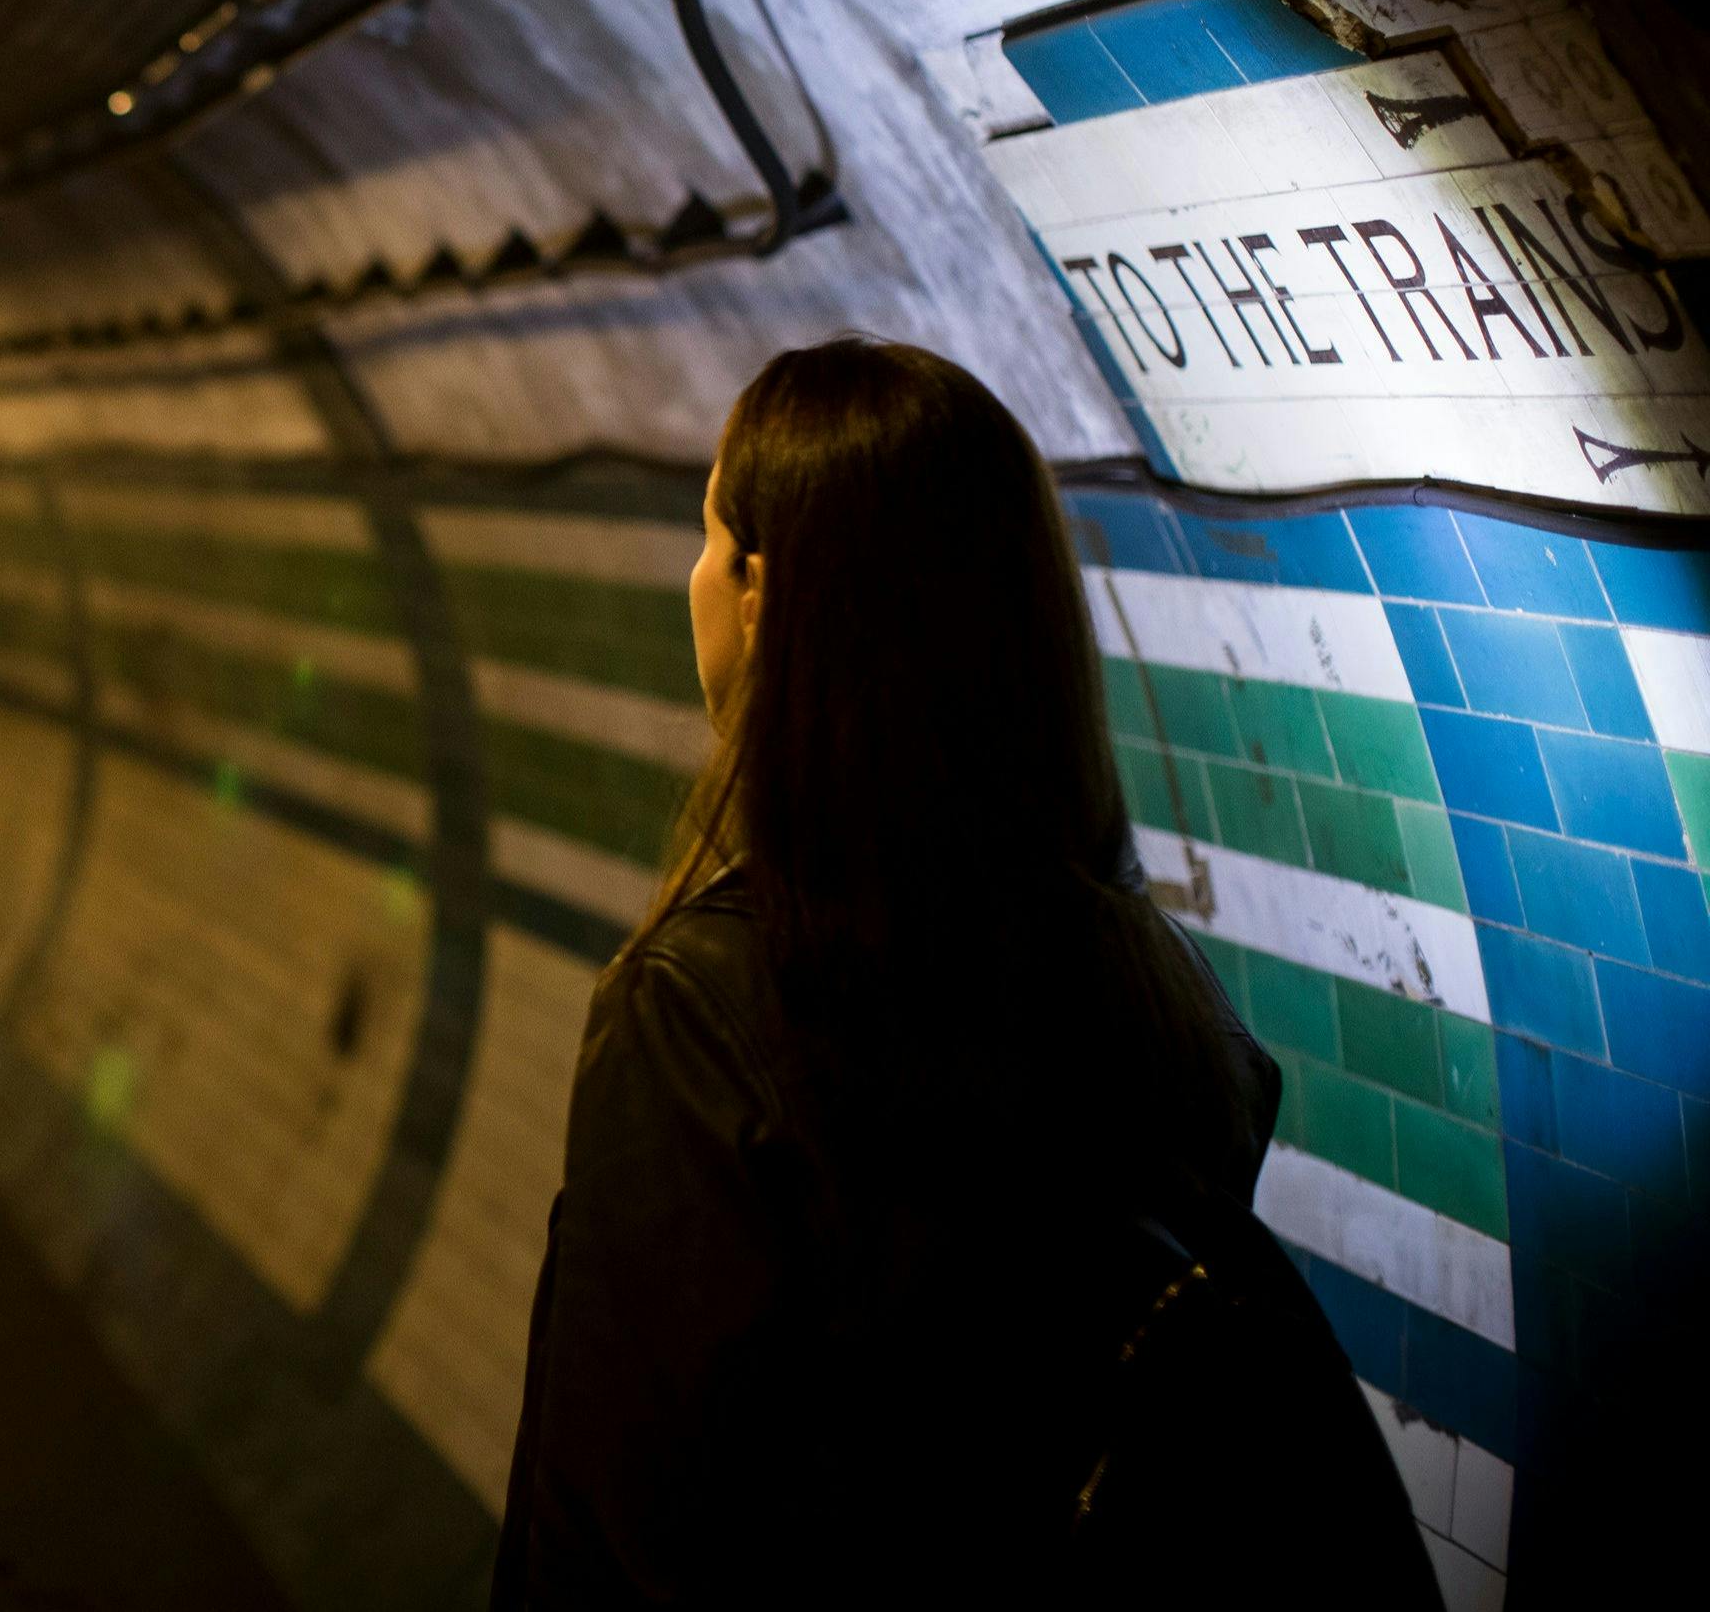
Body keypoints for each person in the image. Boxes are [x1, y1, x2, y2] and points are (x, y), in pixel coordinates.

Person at [490, 339, 1421, 1604]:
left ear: (763, 591)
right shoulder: (1158, 995)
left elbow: (611, 1533)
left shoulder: (701, 1013)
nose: (695, 576)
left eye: (708, 538)